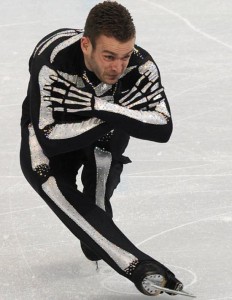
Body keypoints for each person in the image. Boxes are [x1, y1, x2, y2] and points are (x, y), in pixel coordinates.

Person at [20, 1, 183, 296]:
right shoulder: (52, 62)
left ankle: (97, 219)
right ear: (86, 45)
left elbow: (163, 128)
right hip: (56, 127)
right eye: (109, 56)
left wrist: (99, 107)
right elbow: (49, 138)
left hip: (106, 128)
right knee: (45, 177)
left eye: (124, 56)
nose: (118, 67)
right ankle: (139, 267)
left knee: (96, 224)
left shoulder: (140, 64)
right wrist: (121, 112)